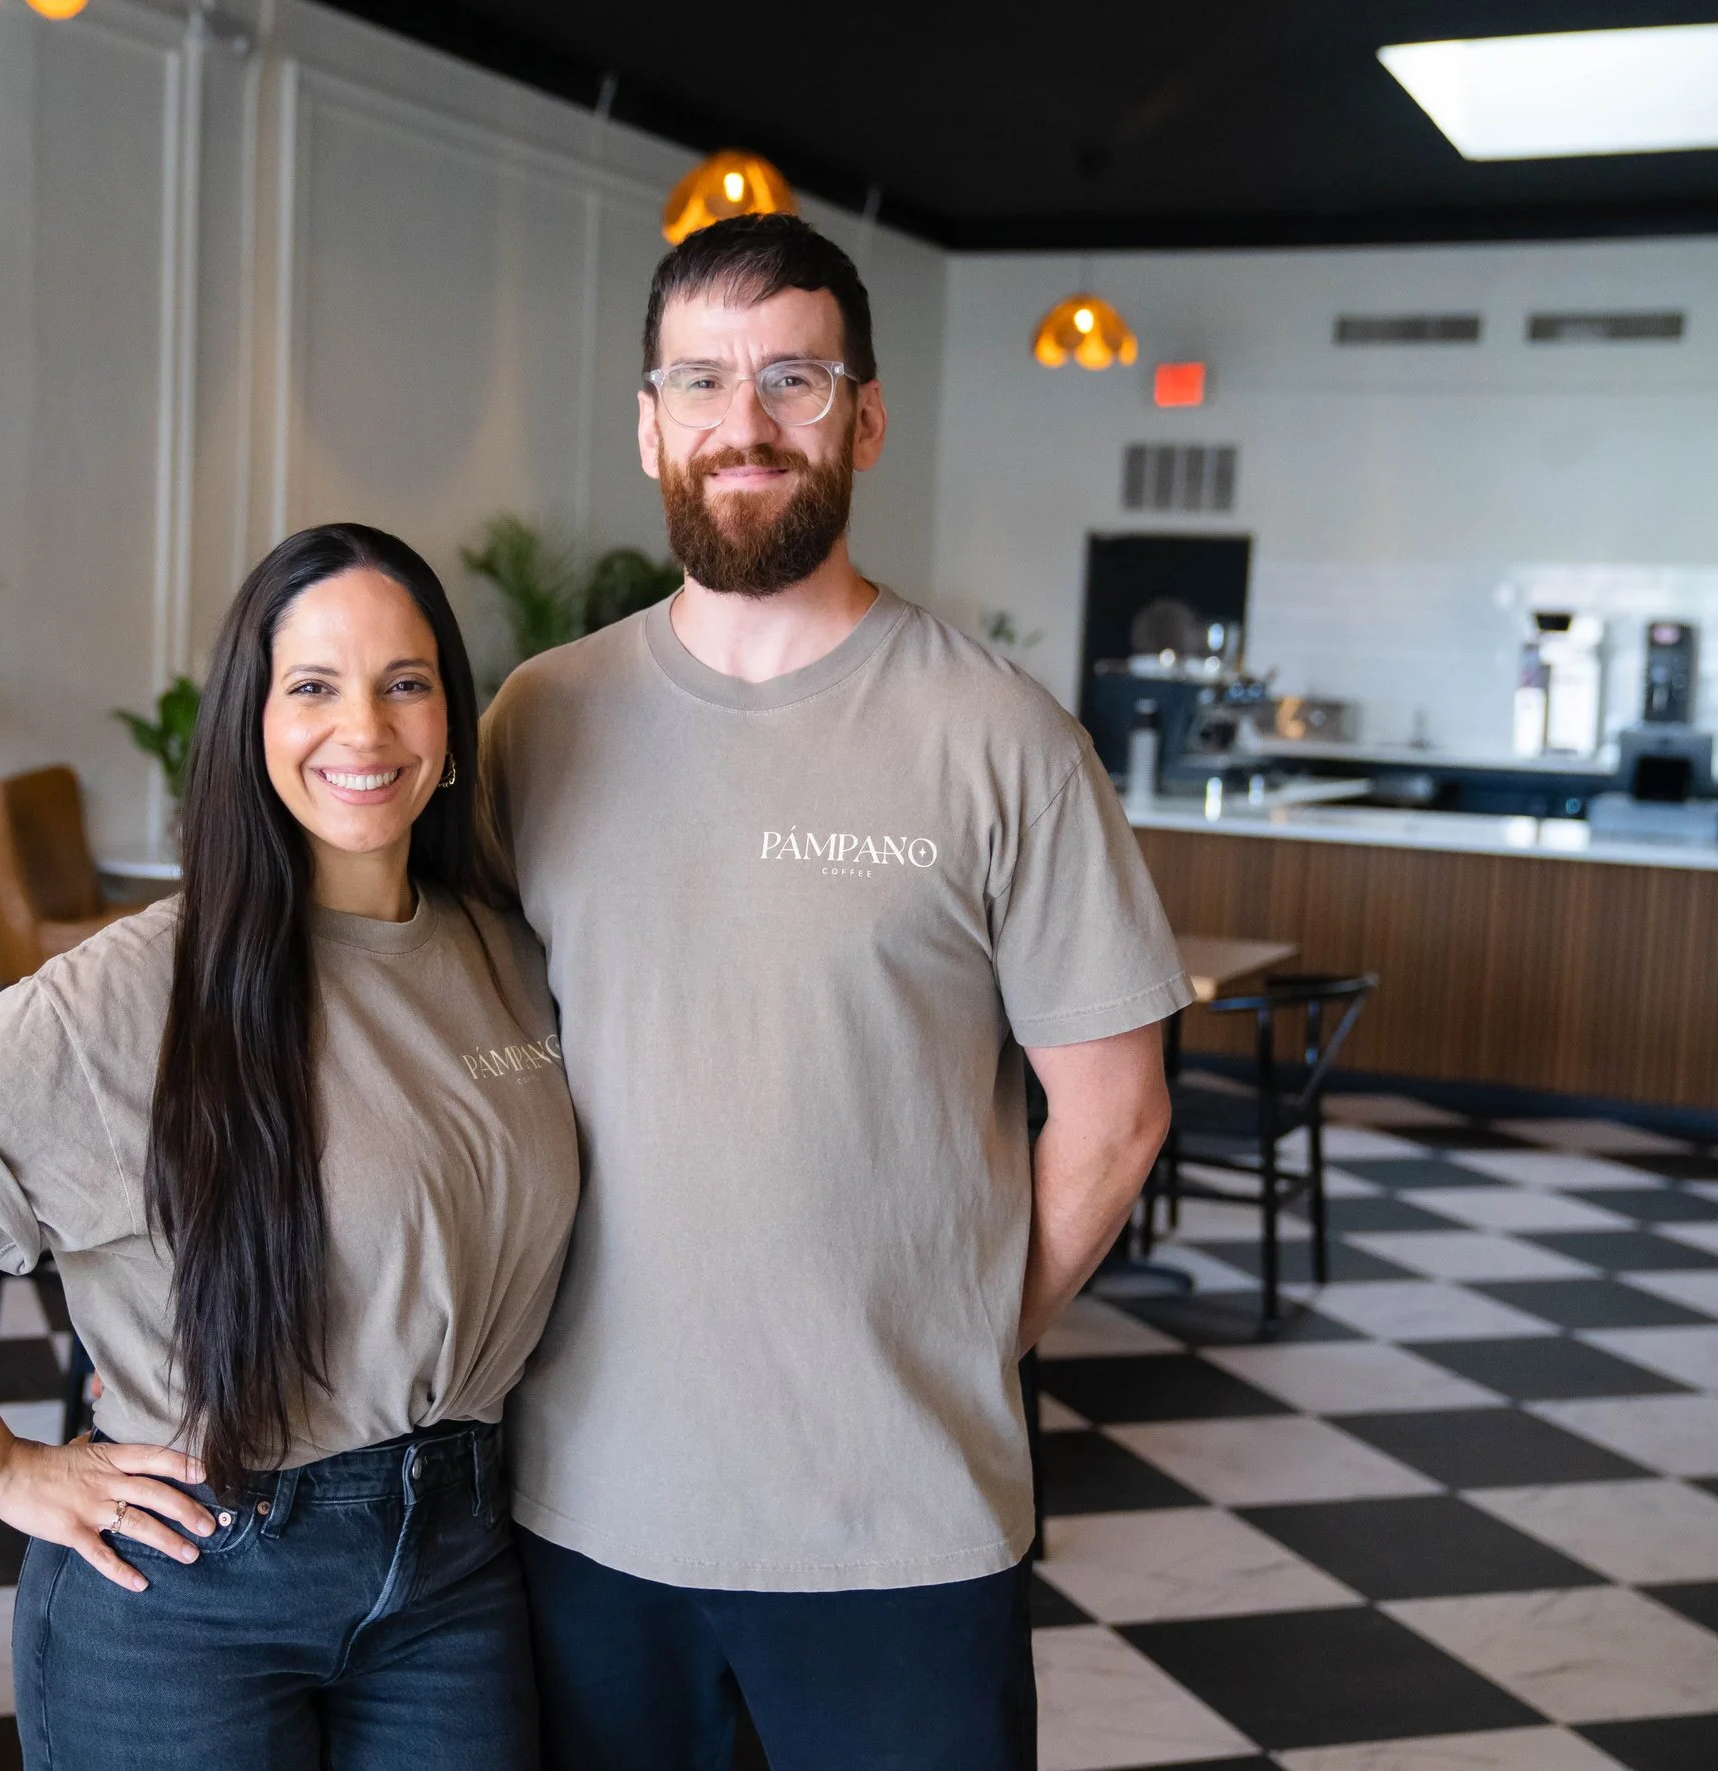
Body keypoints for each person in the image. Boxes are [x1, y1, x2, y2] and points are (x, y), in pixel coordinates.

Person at [482, 214, 1189, 1770]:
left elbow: (1117, 1114)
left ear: (863, 418)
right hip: (583, 1506)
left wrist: (954, 1333)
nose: (745, 422)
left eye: (793, 379)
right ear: (649, 426)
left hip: (898, 1522)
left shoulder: (1001, 736)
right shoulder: (538, 720)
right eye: (702, 381)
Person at [0, 523, 578, 1771]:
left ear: (451, 719)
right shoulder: (145, 982)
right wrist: (3, 1467)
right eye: (312, 687)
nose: (363, 729)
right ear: (250, 724)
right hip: (195, 1582)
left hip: (456, 1569)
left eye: (404, 683)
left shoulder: (507, 953)